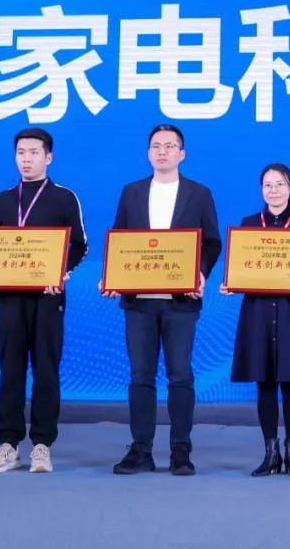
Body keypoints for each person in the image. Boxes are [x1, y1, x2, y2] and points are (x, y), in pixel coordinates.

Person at [101, 125, 221, 476]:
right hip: (139, 301)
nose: (162, 151)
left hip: (180, 301)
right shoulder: (132, 192)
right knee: (141, 376)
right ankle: (140, 450)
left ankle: (181, 450)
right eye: (156, 146)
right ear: (148, 153)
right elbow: (120, 240)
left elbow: (212, 242)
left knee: (180, 375)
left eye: (170, 146)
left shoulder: (199, 193)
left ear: (182, 154)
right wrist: (112, 276)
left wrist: (200, 274)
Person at [0, 127, 88, 474]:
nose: (27, 159)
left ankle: (42, 444)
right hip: (9, 298)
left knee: (46, 369)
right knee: (9, 370)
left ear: (48, 157)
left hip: (48, 298)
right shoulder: (3, 200)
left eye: (34, 152)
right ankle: (8, 445)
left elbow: (80, 245)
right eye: (21, 152)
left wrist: (61, 273)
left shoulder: (64, 197)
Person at [222, 163, 290, 477]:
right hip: (259, 313)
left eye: (280, 184)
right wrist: (231, 281)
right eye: (268, 185)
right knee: (264, 383)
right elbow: (239, 265)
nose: (274, 190)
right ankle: (270, 453)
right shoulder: (249, 224)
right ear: (261, 190)